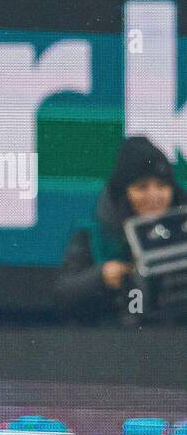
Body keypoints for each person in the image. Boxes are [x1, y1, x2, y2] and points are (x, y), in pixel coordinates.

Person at [56, 135, 185, 325]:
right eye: (142, 187)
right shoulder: (92, 234)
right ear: (123, 193)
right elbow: (63, 295)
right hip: (117, 342)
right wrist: (101, 277)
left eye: (162, 186)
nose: (154, 196)